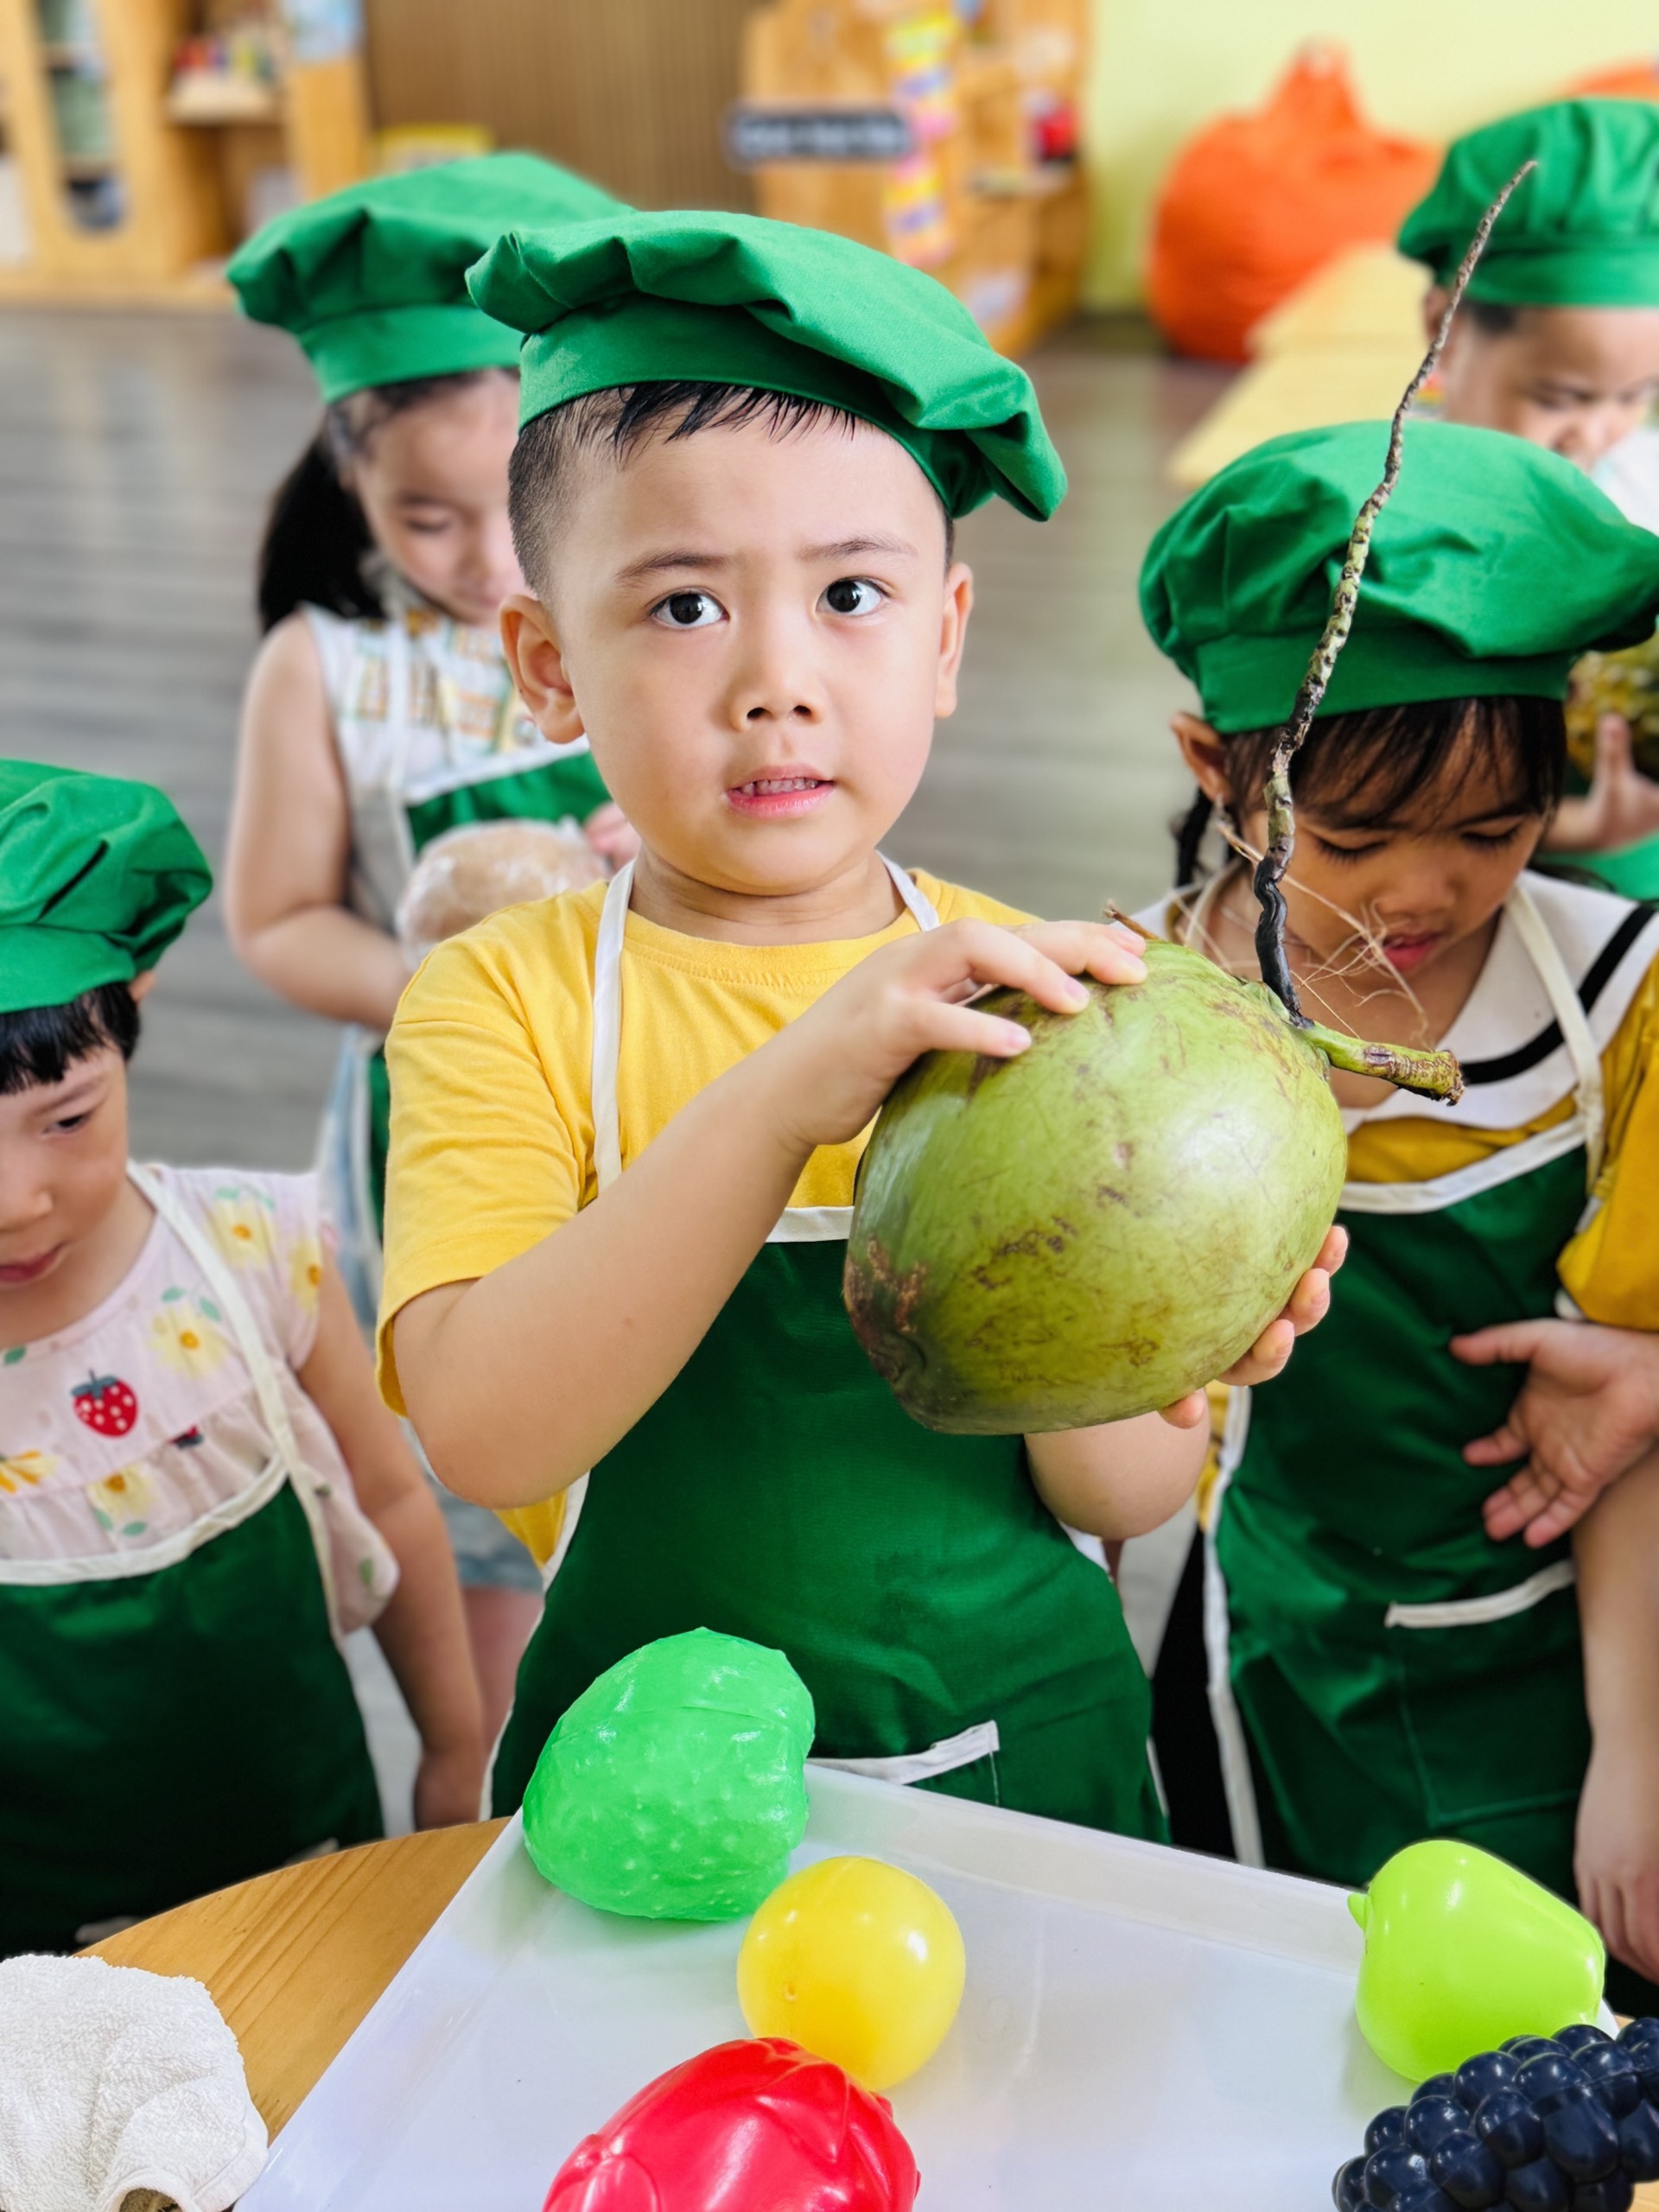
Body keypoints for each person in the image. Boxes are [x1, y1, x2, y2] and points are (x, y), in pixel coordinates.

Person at [375, 207, 1343, 1834]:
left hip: (1021, 1769)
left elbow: (1120, 1498)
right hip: (654, 1806)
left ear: (945, 638)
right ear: (547, 666)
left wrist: (1167, 1335)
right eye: (685, 607)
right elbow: (486, 1432)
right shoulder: (501, 1001)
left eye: (850, 594)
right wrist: (780, 1100)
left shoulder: (1042, 997)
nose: (779, 680)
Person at [1138, 418, 1659, 1988]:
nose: (1424, 894)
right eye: (1354, 840)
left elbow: (1631, 1411)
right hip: (1266, 1647)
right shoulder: (1132, 1016)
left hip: (1583, 1662)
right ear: (1217, 771)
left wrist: (1637, 1757)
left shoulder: (1619, 1001)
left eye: (1493, 832)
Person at [223, 156, 636, 1728]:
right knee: (483, 1452)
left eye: (519, 507)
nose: (485, 561)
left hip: (648, 1090)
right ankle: (497, 1746)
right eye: (427, 518)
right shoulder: (322, 668)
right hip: (445, 1121)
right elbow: (277, 919)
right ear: (350, 479)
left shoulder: (634, 615)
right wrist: (456, 984)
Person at [0, 763, 484, 1958]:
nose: (14, 1201)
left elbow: (391, 1502)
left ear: (135, 1006)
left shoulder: (255, 1250)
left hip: (304, 1871)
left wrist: (454, 1743)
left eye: (67, 1118)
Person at [1399, 98, 1659, 897]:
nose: (1598, 432)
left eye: (1638, 395)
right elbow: (1349, 784)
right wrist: (1562, 827)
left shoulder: (1645, 479)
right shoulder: (1394, 519)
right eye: (1561, 397)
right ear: (1444, 326)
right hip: (1462, 891)